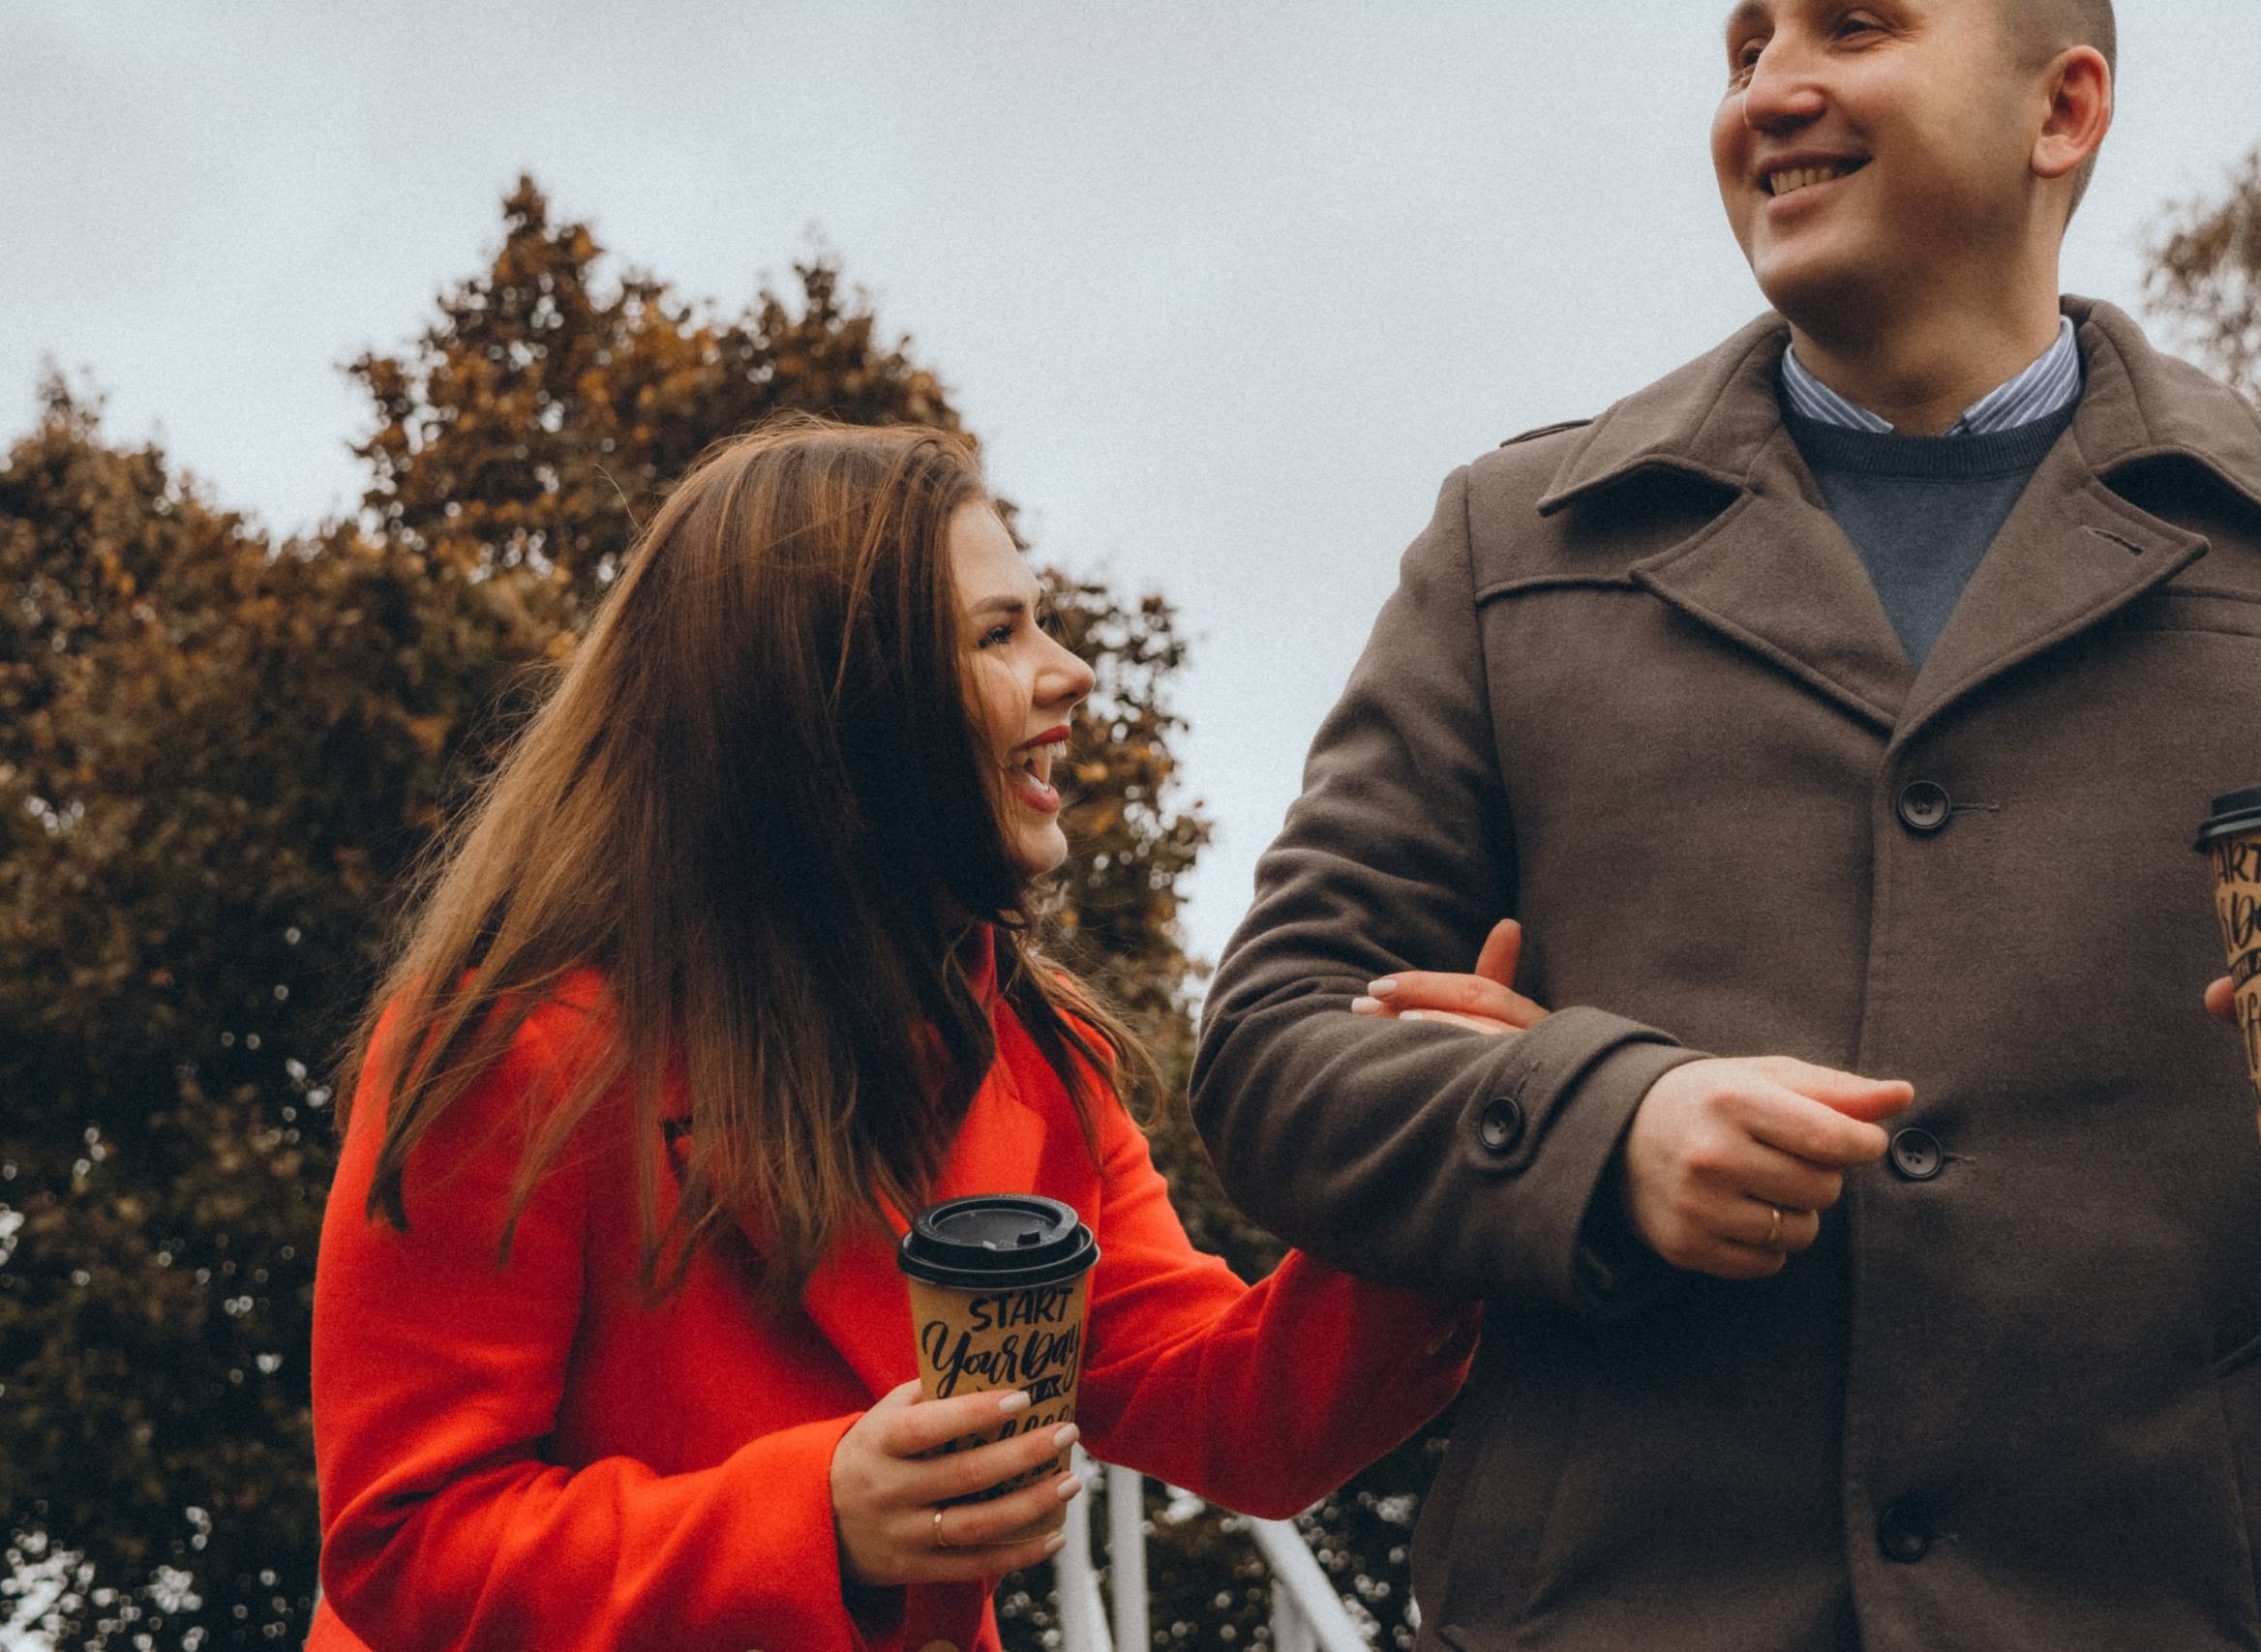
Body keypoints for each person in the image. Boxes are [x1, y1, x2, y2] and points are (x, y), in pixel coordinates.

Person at [1191, 3, 2261, 1648]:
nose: (1771, 90)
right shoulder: (1512, 543)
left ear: (2063, 109)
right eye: (1745, 50)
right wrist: (1606, 1122)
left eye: (1853, 26)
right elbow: (1272, 1042)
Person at [307, 417, 1476, 1652]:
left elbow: (1232, 1416)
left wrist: (1465, 1142)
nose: (1071, 671)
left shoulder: (1035, 1057)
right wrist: (813, 1522)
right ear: (839, 705)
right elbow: (404, 1539)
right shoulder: (517, 1051)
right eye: (998, 634)